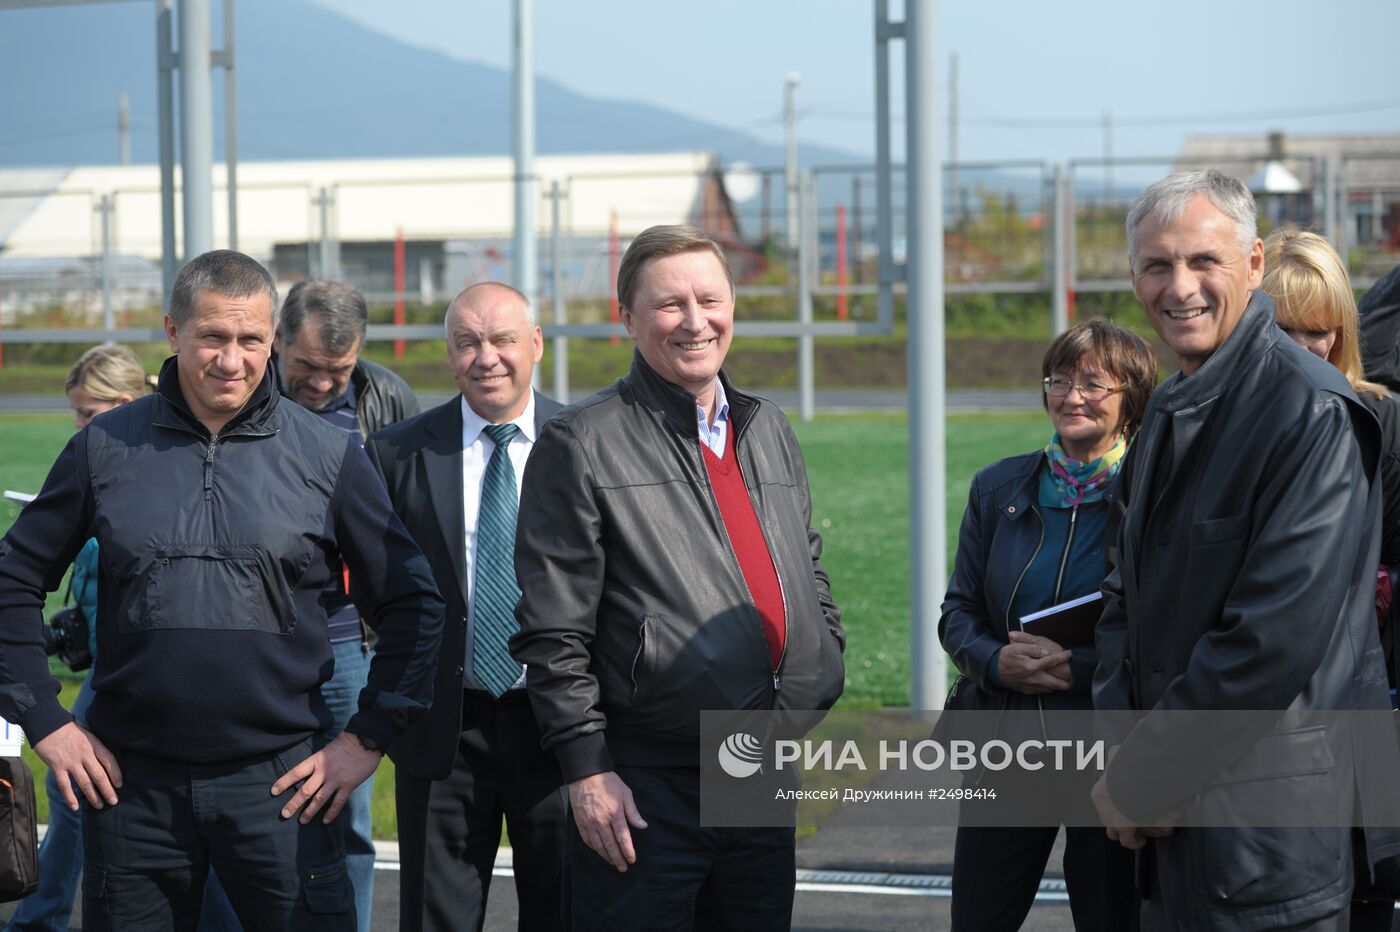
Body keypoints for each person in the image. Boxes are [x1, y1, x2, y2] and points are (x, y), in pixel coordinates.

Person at [0, 249, 444, 930]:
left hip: (282, 789)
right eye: (212, 336)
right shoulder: (105, 447)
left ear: (272, 340)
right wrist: (45, 721)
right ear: (173, 331)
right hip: (132, 790)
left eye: (250, 340)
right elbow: (12, 579)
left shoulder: (327, 455)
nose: (230, 360)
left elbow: (414, 601)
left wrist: (367, 739)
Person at [510, 224, 846, 930]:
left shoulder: (767, 428)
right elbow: (552, 632)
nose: (695, 321)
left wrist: (824, 655)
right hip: (644, 784)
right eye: (669, 305)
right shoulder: (581, 442)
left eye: (709, 299)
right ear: (626, 318)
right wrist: (586, 768)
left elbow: (805, 567)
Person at [1089, 170, 1396, 929]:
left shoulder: (1312, 411)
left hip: (1267, 846)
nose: (1180, 286)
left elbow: (1268, 640)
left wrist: (1142, 776)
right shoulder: (1169, 405)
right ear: (1133, 277)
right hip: (1170, 832)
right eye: (1158, 265)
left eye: (1203, 261)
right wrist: (1124, 754)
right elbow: (1122, 600)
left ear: (1254, 264)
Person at [940, 319, 1155, 931]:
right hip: (1005, 746)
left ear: (1131, 398)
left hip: (1108, 748)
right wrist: (991, 659)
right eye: (1059, 380)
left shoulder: (1151, 492)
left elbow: (1163, 627)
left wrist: (1076, 667)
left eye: (1093, 383)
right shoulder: (998, 487)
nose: (1071, 396)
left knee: (1112, 918)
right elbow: (958, 610)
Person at [365, 282, 566, 932]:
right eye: (468, 343)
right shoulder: (397, 452)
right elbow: (376, 585)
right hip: (442, 728)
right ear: (449, 356)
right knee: (435, 919)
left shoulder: (590, 442)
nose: (488, 358)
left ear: (534, 345)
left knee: (567, 910)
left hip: (559, 725)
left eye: (503, 339)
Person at [270, 278, 422, 930]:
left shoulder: (384, 396)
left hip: (347, 642)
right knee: (256, 809)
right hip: (264, 641)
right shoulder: (242, 394)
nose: (323, 383)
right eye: (306, 367)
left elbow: (405, 526)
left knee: (346, 812)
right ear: (277, 342)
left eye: (339, 369)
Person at [6, 344, 146, 932]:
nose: (80, 427)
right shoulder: (97, 460)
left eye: (89, 413)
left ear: (127, 403)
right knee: (80, 797)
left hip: (132, 670)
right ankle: (41, 916)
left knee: (79, 795)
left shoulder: (145, 467)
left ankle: (39, 918)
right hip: (102, 665)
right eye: (77, 414)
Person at [1265, 230, 1400, 568]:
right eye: (1279, 330)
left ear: (1340, 335)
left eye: (1316, 331)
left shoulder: (1380, 423)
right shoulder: (1210, 415)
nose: (1297, 349)